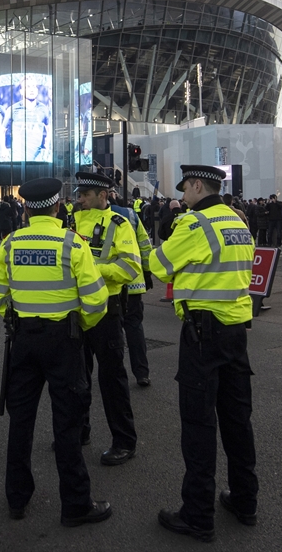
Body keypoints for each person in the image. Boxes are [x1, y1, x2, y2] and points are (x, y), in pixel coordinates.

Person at [0, 177, 113, 527]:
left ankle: (17, 498)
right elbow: (96, 299)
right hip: (64, 342)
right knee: (68, 425)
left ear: (26, 208)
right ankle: (75, 504)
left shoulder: (12, 243)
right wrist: (81, 327)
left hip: (24, 341)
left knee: (21, 422)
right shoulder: (73, 244)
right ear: (58, 207)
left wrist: (15, 316)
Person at [148, 165, 258, 543]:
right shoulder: (238, 223)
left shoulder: (195, 225)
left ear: (197, 185)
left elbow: (158, 267)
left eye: (185, 190)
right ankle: (245, 501)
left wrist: (176, 226)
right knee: (237, 420)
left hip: (202, 335)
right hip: (235, 334)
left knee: (198, 425)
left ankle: (197, 514)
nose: (183, 197)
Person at [73, 171, 140, 465]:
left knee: (112, 378)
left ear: (102, 196)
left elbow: (130, 267)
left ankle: (124, 441)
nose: (80, 199)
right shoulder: (70, 223)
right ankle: (80, 430)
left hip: (107, 308)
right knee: (77, 376)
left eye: (85, 195)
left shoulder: (119, 224)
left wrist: (91, 272)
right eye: (79, 194)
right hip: (76, 309)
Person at [110, 193, 154, 387]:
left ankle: (114, 373)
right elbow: (145, 245)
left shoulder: (90, 217)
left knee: (111, 332)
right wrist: (147, 271)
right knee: (134, 328)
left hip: (109, 285)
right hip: (134, 284)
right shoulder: (131, 215)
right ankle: (141, 372)